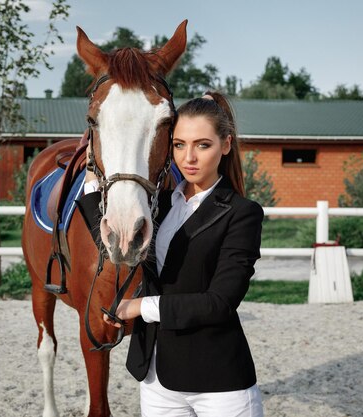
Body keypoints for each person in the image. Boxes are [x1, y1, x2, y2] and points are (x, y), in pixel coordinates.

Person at [78, 91, 264, 416]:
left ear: (226, 145)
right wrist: (94, 174)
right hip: (155, 379)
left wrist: (137, 307)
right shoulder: (160, 205)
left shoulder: (242, 213)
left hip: (217, 380)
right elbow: (109, 225)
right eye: (179, 145)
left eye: (202, 145)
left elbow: (220, 303)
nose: (188, 157)